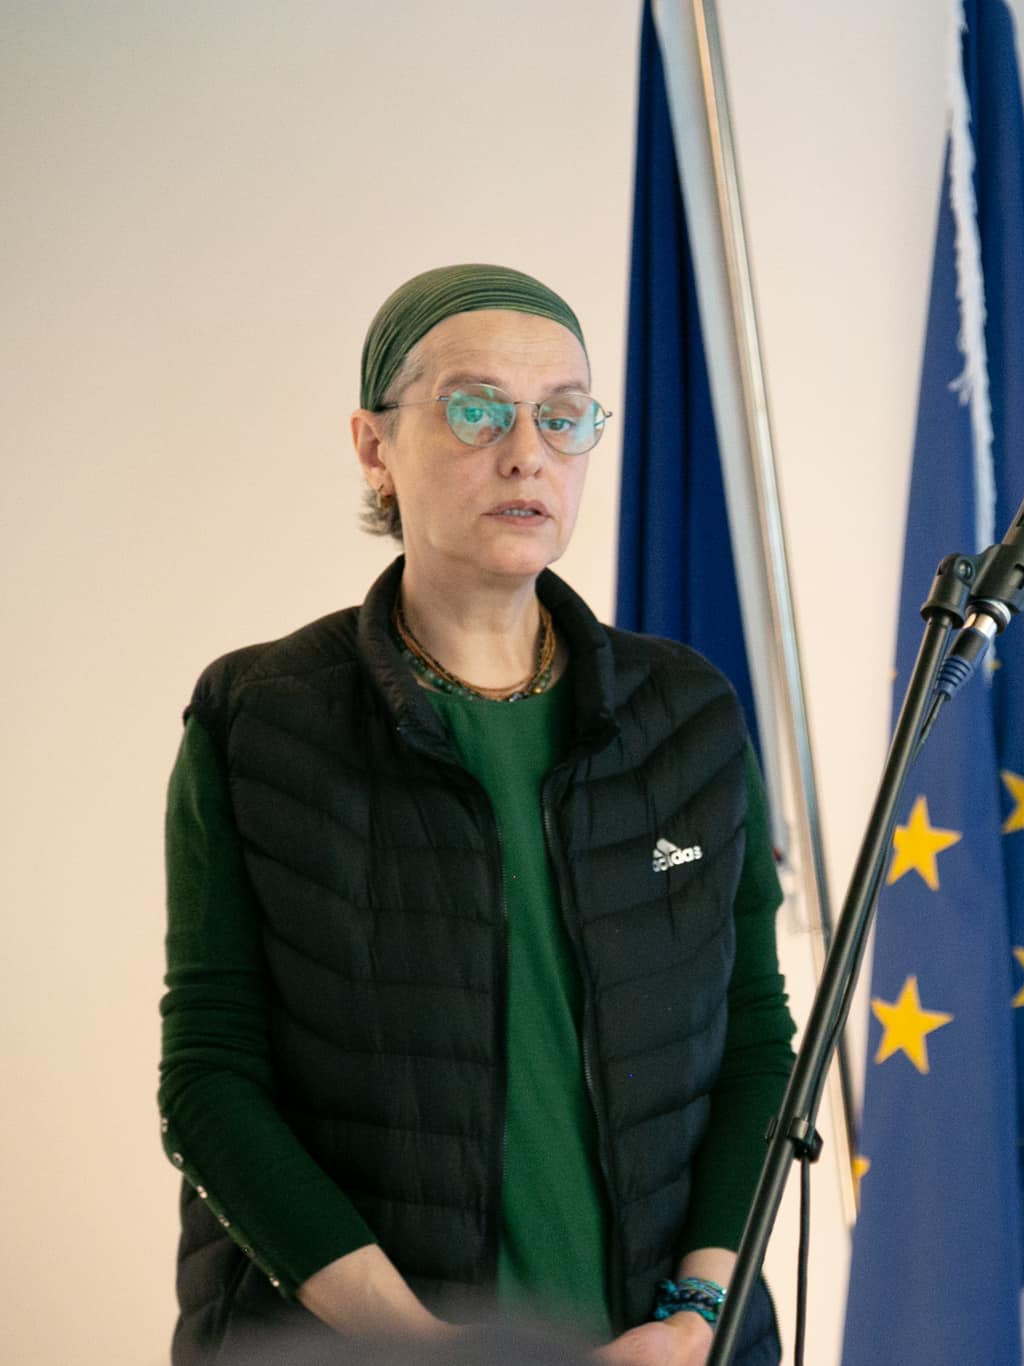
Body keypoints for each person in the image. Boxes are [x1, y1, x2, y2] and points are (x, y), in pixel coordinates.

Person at [159, 265, 792, 1366]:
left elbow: (755, 1037)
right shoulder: (259, 718)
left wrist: (699, 1318)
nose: (527, 453)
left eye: (563, 415)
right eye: (477, 409)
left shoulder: (686, 713)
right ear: (373, 446)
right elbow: (209, 1081)